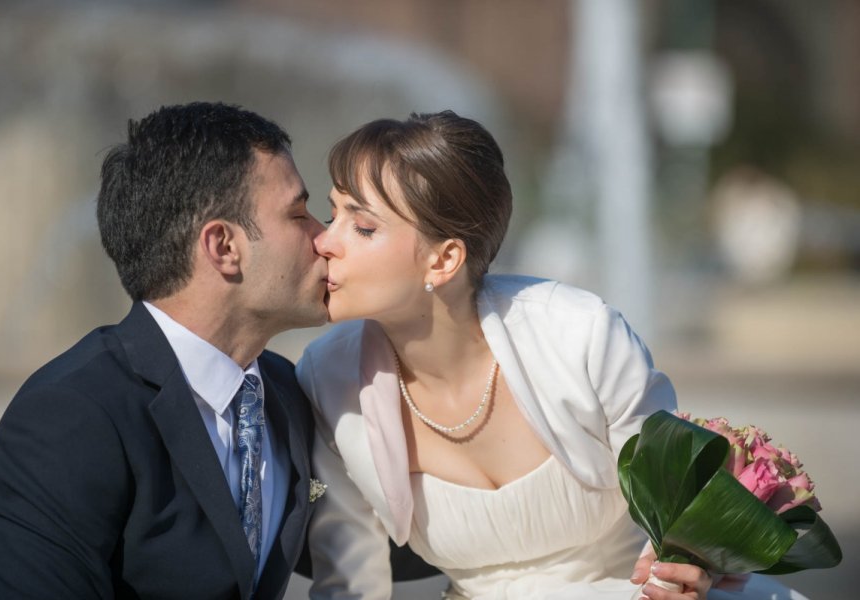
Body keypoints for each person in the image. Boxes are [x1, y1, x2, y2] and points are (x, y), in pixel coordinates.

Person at [296, 111, 809, 599]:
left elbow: (676, 510)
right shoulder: (329, 376)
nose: (324, 240)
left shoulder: (581, 336)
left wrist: (687, 566)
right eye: (332, 211)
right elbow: (350, 580)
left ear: (445, 259)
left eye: (361, 227)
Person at [0, 102, 328, 599]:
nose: (325, 237)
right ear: (223, 246)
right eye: (299, 213)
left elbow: (378, 534)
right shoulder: (67, 420)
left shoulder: (288, 393)